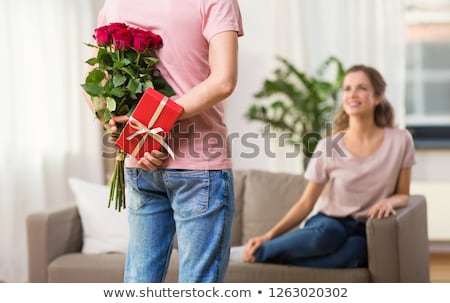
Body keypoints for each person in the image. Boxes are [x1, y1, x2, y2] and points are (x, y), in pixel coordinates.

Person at [88, 0, 244, 282]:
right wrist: (152, 124)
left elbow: (95, 80)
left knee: (140, 283)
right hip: (199, 165)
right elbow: (223, 81)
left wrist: (117, 122)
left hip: (141, 159)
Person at [243, 65, 416, 268]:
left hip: (365, 228)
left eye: (362, 88)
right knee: (328, 235)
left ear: (378, 97)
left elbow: (404, 194)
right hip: (329, 223)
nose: (352, 94)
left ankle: (273, 258)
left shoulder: (401, 140)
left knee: (355, 254)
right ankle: (260, 251)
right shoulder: (329, 145)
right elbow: (306, 203)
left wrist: (389, 202)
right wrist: (268, 235)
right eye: (347, 88)